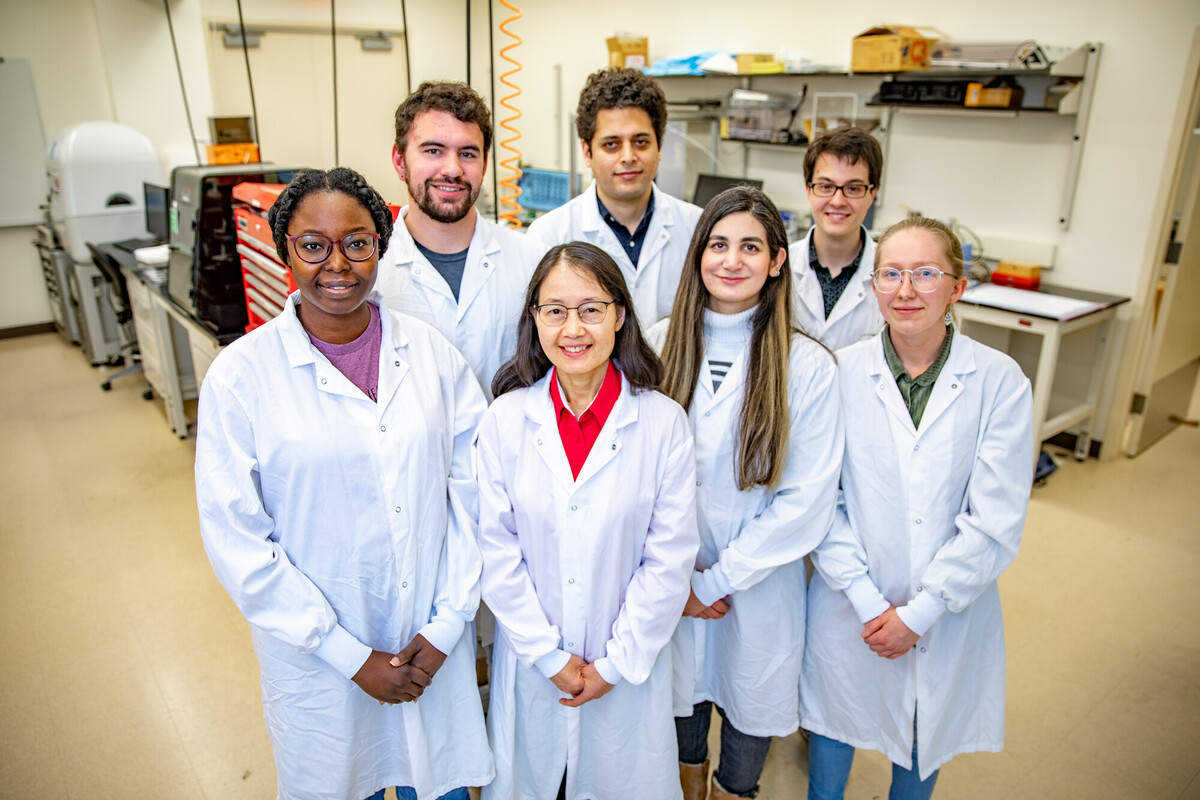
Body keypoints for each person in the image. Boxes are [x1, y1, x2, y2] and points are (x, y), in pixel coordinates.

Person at [195, 167, 493, 800]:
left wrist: (445, 627)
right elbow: (238, 543)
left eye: (358, 242)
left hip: (429, 643)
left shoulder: (432, 356)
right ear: (285, 254)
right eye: (313, 244)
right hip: (318, 662)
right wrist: (348, 656)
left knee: (438, 784)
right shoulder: (241, 377)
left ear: (379, 249)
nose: (338, 263)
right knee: (340, 782)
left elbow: (479, 498)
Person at [800, 217, 1034, 800]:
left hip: (946, 610)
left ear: (956, 287)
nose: (906, 290)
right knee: (834, 727)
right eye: (891, 274)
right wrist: (863, 597)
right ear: (872, 286)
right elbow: (820, 500)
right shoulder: (840, 372)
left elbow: (995, 520)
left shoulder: (999, 381)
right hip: (848, 601)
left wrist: (920, 613)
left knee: (922, 734)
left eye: (926, 274)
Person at [475, 242, 700, 800]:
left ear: (620, 315)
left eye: (591, 309)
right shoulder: (505, 420)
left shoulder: (662, 423)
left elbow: (668, 560)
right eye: (554, 310)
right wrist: (549, 656)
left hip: (625, 666)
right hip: (533, 664)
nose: (572, 328)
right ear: (534, 319)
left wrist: (616, 664)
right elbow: (496, 552)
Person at [649, 187, 843, 800]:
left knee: (746, 711)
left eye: (751, 247)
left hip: (754, 588)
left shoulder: (807, 365)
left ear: (778, 261)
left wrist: (710, 582)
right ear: (698, 254)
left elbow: (805, 503)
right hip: (667, 586)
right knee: (678, 714)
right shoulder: (656, 346)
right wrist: (677, 580)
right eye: (719, 244)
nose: (732, 261)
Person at [375, 80, 543, 399]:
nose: (452, 170)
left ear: (484, 163)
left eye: (467, 153)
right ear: (400, 161)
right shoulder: (371, 270)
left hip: (507, 447)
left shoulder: (530, 259)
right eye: (433, 150)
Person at [527, 68, 702, 328]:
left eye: (641, 142)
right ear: (587, 152)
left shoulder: (696, 227)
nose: (628, 156)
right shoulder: (549, 235)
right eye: (612, 144)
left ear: (659, 147)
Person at [788, 127, 886, 350]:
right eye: (826, 186)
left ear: (872, 194)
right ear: (808, 190)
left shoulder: (893, 276)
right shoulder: (777, 267)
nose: (838, 200)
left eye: (853, 188)